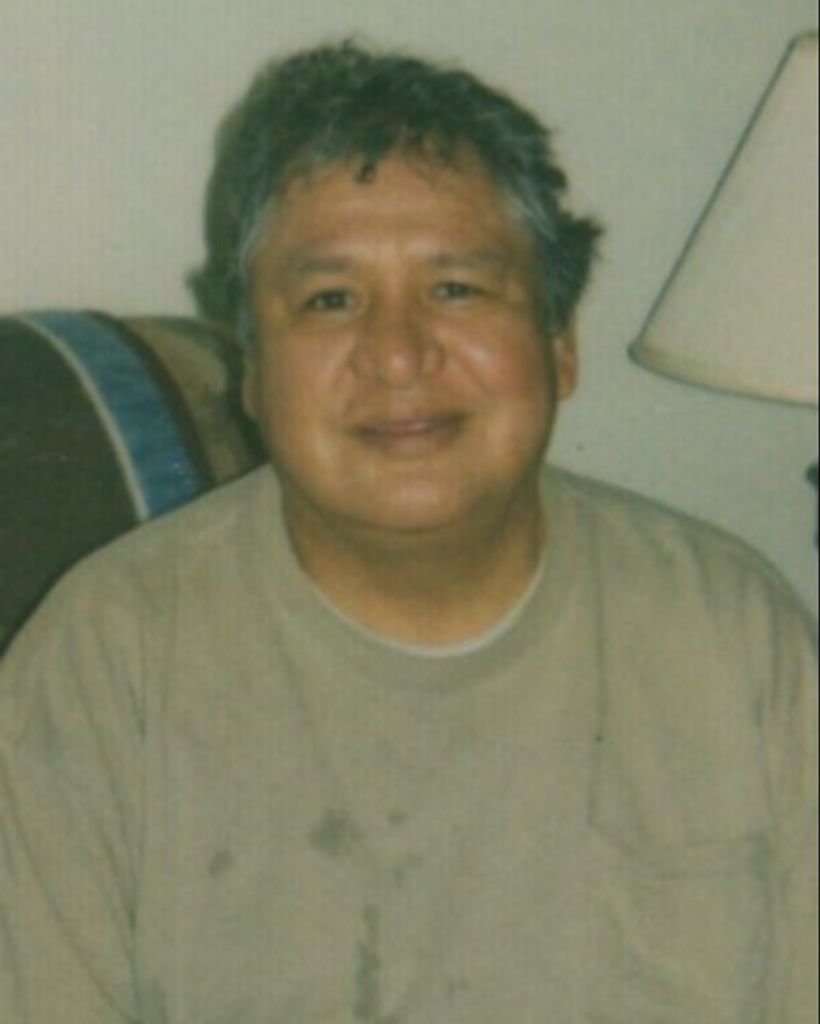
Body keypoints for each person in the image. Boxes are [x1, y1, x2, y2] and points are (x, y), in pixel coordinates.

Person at [0, 40, 816, 1024]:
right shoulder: (105, 664)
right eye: (330, 300)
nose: (396, 354)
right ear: (251, 371)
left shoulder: (733, 633)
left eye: (455, 288)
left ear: (560, 343)